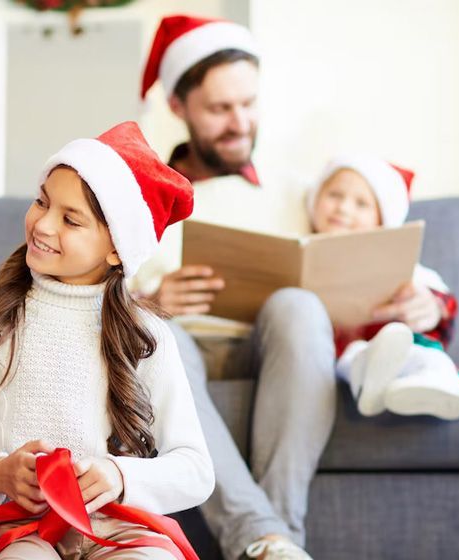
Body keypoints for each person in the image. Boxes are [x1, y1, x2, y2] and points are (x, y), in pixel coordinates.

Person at [0, 122, 214, 558]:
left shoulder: (148, 336)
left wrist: (119, 476)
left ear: (117, 249)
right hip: (15, 528)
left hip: (118, 527)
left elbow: (195, 469)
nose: (43, 224)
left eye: (70, 219)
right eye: (41, 201)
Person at [135, 15, 330, 560]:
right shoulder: (135, 197)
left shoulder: (303, 195)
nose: (240, 122)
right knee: (154, 331)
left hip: (268, 354)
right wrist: (146, 302)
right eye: (220, 109)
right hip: (177, 353)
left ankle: (269, 537)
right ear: (179, 107)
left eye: (249, 104)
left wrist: (421, 302)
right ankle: (272, 541)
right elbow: (85, 298)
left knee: (299, 305)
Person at [310, 155, 459, 421]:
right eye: (334, 195)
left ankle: (439, 383)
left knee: (423, 353)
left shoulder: (403, 268)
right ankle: (369, 380)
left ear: (381, 220)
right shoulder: (304, 258)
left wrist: (431, 306)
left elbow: (443, 305)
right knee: (353, 356)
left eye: (361, 203)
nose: (343, 208)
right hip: (344, 354)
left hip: (400, 342)